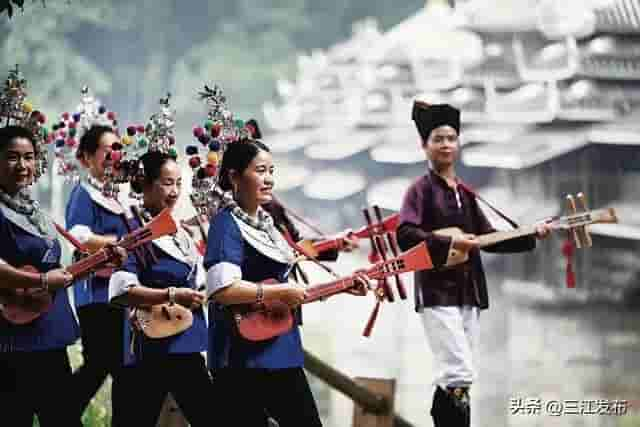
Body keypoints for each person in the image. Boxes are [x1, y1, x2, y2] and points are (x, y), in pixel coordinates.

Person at [395, 102, 551, 427]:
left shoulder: (466, 193)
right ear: (424, 145)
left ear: (459, 143)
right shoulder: (419, 191)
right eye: (438, 138)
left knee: (456, 374)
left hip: (469, 291)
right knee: (458, 370)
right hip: (437, 292)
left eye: (452, 138)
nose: (446, 144)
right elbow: (405, 234)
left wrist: (531, 235)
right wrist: (451, 242)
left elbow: (489, 237)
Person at [204, 139, 367, 427]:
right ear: (233, 176)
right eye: (259, 170)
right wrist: (280, 291)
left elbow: (289, 290)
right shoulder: (225, 225)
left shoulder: (269, 223)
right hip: (240, 356)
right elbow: (222, 290)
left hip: (281, 347)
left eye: (271, 170)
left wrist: (343, 285)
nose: (268, 179)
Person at [109, 150, 213, 426]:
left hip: (186, 341)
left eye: (179, 183)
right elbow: (122, 289)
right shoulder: (134, 232)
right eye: (168, 183)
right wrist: (171, 295)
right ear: (146, 184)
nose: (175, 191)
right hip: (151, 343)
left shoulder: (182, 232)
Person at [0, 125, 82, 427]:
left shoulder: (35, 211)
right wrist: (42, 282)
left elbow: (51, 265)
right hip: (10, 337)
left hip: (48, 332)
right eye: (11, 157)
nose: (22, 166)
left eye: (29, 157)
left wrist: (86, 262)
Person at [65, 124, 137, 423]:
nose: (114, 156)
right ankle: (58, 411)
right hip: (95, 292)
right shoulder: (84, 193)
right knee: (100, 362)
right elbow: (79, 236)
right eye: (107, 151)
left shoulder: (123, 198)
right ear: (86, 158)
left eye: (118, 149)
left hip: (123, 294)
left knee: (124, 366)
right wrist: (118, 243)